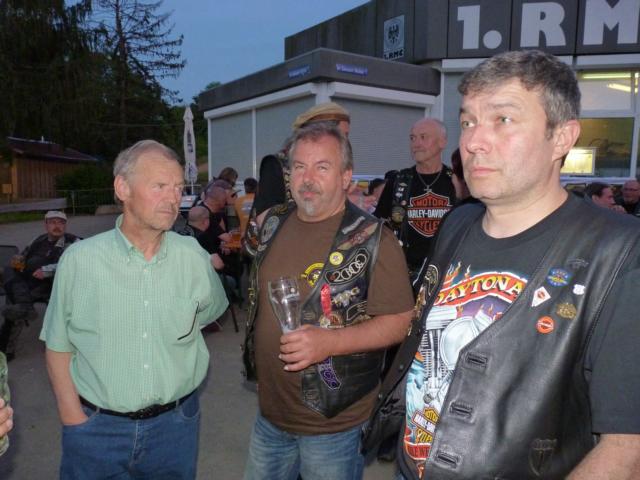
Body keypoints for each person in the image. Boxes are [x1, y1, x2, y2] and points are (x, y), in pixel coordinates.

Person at [363, 50, 640, 479]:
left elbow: (627, 448)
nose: (473, 141)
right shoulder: (458, 223)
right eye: (468, 122)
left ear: (562, 137)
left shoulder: (619, 252)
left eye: (503, 119)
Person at [40, 140, 228, 479]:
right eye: (160, 186)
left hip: (176, 426)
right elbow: (58, 344)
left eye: (178, 188)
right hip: (96, 429)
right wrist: (72, 417)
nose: (173, 198)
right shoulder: (80, 261)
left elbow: (208, 313)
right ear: (122, 188)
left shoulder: (193, 257)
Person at [242, 123, 414, 479]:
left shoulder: (374, 239)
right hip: (270, 415)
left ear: (346, 176)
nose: (307, 179)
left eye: (322, 167)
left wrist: (330, 342)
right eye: (299, 167)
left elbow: (400, 321)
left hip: (335, 423)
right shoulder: (273, 222)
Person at [374, 118, 456, 278]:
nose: (416, 144)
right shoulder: (398, 181)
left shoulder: (456, 181)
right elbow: (379, 226)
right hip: (403, 275)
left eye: (423, 137)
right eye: (412, 138)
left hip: (446, 275)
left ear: (442, 142)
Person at [0, 210, 80, 361]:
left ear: (65, 225)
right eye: (53, 222)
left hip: (52, 285)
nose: (57, 226)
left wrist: (47, 271)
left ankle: (6, 348)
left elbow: (75, 264)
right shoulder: (39, 239)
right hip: (29, 281)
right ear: (46, 225)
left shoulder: (73, 242)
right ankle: (23, 307)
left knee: (16, 301)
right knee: (9, 273)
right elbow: (24, 254)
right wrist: (18, 260)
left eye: (61, 223)